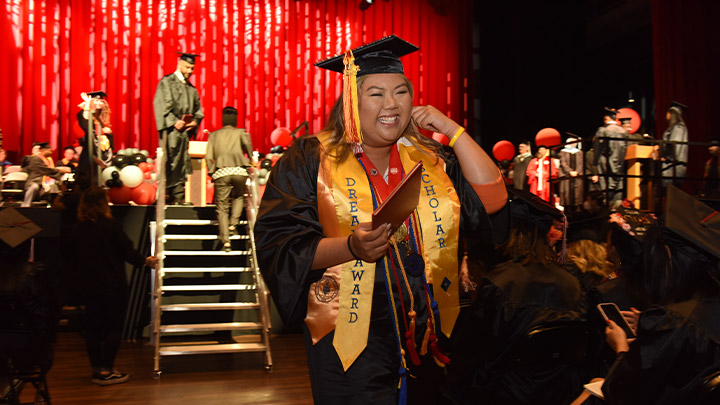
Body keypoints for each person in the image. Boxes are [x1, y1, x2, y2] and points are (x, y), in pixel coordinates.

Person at [254, 35, 509, 404]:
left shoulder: (429, 160)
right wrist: (351, 246)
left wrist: (452, 130)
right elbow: (280, 245)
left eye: (401, 91)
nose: (391, 104)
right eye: (376, 93)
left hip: (427, 331)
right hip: (348, 338)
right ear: (352, 105)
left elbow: (494, 200)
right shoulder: (311, 158)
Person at [444, 188, 586, 405]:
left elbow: (472, 350)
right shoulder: (572, 284)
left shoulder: (501, 282)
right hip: (559, 390)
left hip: (507, 392)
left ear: (514, 232)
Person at [589, 187, 720, 405]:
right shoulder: (694, 311)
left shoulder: (672, 321)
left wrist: (621, 348)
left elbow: (621, 392)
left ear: (667, 254)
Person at [70, 187, 159, 385]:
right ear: (103, 203)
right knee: (114, 326)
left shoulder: (77, 228)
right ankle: (106, 369)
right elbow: (127, 252)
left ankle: (97, 368)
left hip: (87, 285)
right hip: (112, 284)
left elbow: (72, 259)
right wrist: (146, 261)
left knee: (92, 328)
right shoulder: (111, 226)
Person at [153, 52, 204, 205]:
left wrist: (194, 121)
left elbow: (198, 110)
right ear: (179, 63)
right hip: (171, 132)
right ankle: (167, 197)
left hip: (184, 133)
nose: (190, 71)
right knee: (170, 160)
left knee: (182, 162)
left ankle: (179, 197)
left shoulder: (191, 88)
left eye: (192, 68)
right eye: (187, 67)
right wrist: (173, 122)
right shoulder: (167, 82)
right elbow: (160, 106)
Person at [206, 106, 255, 252]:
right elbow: (248, 145)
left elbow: (208, 157)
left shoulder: (213, 135)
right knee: (239, 197)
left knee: (221, 207)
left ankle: (226, 240)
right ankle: (233, 224)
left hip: (221, 172)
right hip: (239, 171)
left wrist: (211, 172)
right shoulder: (241, 132)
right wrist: (251, 158)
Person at [76, 91, 114, 184]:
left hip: (104, 153)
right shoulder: (86, 114)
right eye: (96, 100)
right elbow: (85, 123)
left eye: (101, 101)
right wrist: (87, 104)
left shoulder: (99, 118)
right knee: (91, 180)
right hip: (91, 153)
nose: (99, 103)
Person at [593, 107, 628, 206]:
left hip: (606, 163)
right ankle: (617, 214)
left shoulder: (603, 130)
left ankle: (608, 214)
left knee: (607, 191)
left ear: (606, 118)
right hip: (620, 164)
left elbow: (597, 149)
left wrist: (595, 165)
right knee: (618, 190)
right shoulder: (622, 131)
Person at [22, 142, 71, 207]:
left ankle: (53, 206)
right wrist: (59, 170)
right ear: (43, 150)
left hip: (44, 184)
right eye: (49, 150)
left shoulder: (48, 160)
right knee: (34, 187)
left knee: (53, 186)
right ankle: (26, 205)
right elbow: (46, 170)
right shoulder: (35, 159)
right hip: (35, 182)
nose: (51, 151)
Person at [657, 101, 689, 188]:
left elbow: (675, 145)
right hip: (670, 163)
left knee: (671, 190)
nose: (666, 116)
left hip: (674, 165)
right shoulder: (673, 127)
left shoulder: (679, 127)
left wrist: (666, 157)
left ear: (671, 114)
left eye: (667, 113)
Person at [558, 136, 584, 213]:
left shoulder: (579, 152)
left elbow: (581, 163)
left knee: (578, 191)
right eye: (573, 142)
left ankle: (578, 207)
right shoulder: (563, 152)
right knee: (566, 191)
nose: (575, 144)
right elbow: (563, 163)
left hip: (577, 175)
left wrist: (577, 172)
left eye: (576, 142)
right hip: (567, 175)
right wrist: (570, 171)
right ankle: (567, 208)